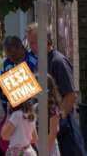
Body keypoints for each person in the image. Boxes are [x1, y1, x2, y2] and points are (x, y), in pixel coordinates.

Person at [27, 23, 86, 156]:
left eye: (33, 43)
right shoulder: (40, 62)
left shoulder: (58, 62)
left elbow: (70, 96)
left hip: (65, 132)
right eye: (30, 43)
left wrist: (57, 120)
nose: (31, 47)